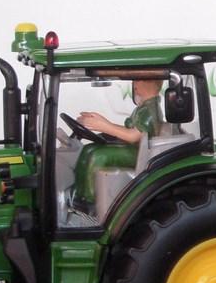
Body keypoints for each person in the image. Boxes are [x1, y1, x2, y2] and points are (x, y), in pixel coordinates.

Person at [70, 78, 164, 207]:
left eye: (138, 80)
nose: (134, 84)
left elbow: (133, 136)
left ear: (150, 83)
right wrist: (104, 123)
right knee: (88, 149)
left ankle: (89, 200)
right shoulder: (144, 107)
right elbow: (130, 131)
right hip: (134, 149)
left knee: (98, 156)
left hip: (139, 154)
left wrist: (104, 126)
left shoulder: (150, 110)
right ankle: (78, 193)